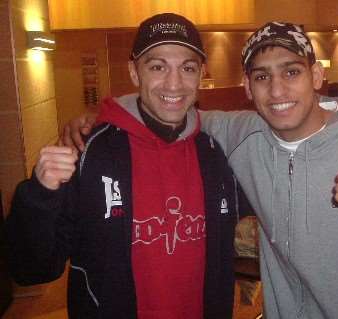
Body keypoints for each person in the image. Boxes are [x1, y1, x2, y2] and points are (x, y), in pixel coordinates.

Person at [62, 22, 338, 319]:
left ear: (316, 77)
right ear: (248, 87)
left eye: (292, 72)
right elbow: (169, 105)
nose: (277, 90)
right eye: (262, 76)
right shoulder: (241, 134)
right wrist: (100, 121)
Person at [5, 13, 238, 319]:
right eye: (157, 66)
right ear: (134, 72)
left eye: (188, 68)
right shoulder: (88, 151)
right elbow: (31, 270)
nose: (174, 83)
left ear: (200, 74)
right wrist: (39, 195)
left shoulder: (217, 154)